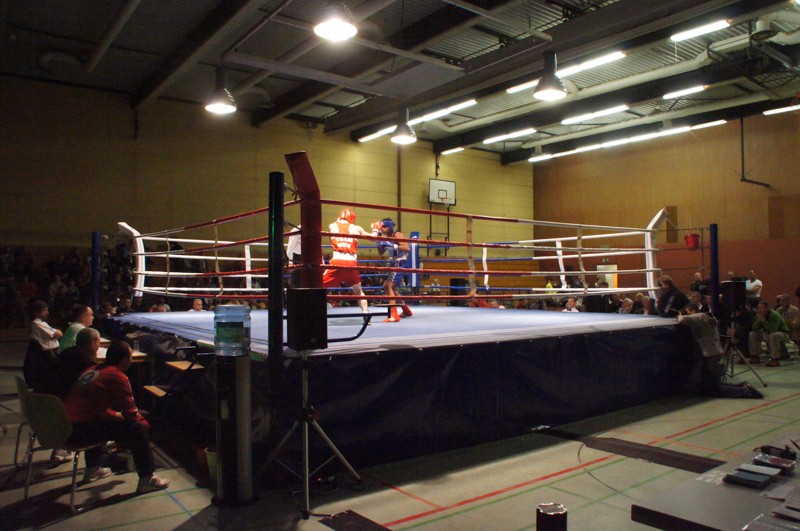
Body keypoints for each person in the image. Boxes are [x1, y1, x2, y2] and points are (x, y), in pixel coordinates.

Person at [63, 339, 170, 492]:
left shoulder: (92, 370)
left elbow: (94, 409)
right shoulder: (117, 376)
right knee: (138, 429)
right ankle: (147, 478)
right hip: (79, 432)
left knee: (104, 420)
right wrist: (145, 425)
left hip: (64, 427)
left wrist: (115, 415)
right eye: (130, 356)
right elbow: (131, 414)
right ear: (125, 359)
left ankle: (92, 469)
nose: (131, 360)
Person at [678, 304, 762, 398]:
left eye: (687, 311)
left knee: (714, 390)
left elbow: (683, 320)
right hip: (716, 355)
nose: (687, 314)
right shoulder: (707, 317)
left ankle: (745, 391)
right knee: (710, 384)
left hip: (711, 357)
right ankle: (741, 386)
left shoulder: (699, 317)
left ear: (692, 310)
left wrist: (680, 315)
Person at [321, 209, 377, 313]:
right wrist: (375, 229)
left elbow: (335, 228)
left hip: (337, 261)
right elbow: (373, 238)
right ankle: (365, 313)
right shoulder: (356, 228)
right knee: (358, 290)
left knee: (318, 285)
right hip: (351, 262)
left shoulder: (332, 225)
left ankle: (310, 311)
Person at [41, 327, 101, 398]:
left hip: (47, 392)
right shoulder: (85, 361)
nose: (99, 345)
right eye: (98, 342)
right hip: (62, 396)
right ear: (93, 343)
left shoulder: (67, 352)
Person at [375, 218, 413, 322]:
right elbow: (381, 252)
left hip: (400, 262)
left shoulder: (397, 234)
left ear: (390, 226)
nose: (382, 229)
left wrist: (391, 245)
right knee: (392, 289)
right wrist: (378, 241)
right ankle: (406, 311)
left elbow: (407, 248)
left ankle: (393, 314)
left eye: (384, 227)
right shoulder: (386, 237)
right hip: (395, 262)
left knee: (387, 285)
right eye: (381, 227)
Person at [24, 300, 63, 391]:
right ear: (37, 312)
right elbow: (59, 333)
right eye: (45, 310)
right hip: (46, 351)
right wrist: (56, 334)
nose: (47, 312)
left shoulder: (37, 323)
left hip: (44, 350)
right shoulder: (38, 324)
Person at [749, 300, 789, 366]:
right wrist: (758, 321)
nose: (759, 310)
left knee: (773, 335)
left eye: (761, 308)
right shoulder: (759, 315)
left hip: (782, 333)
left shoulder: (774, 315)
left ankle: (775, 359)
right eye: (758, 308)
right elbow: (755, 329)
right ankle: (755, 356)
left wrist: (763, 320)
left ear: (767, 308)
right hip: (768, 333)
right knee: (753, 334)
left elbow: (773, 329)